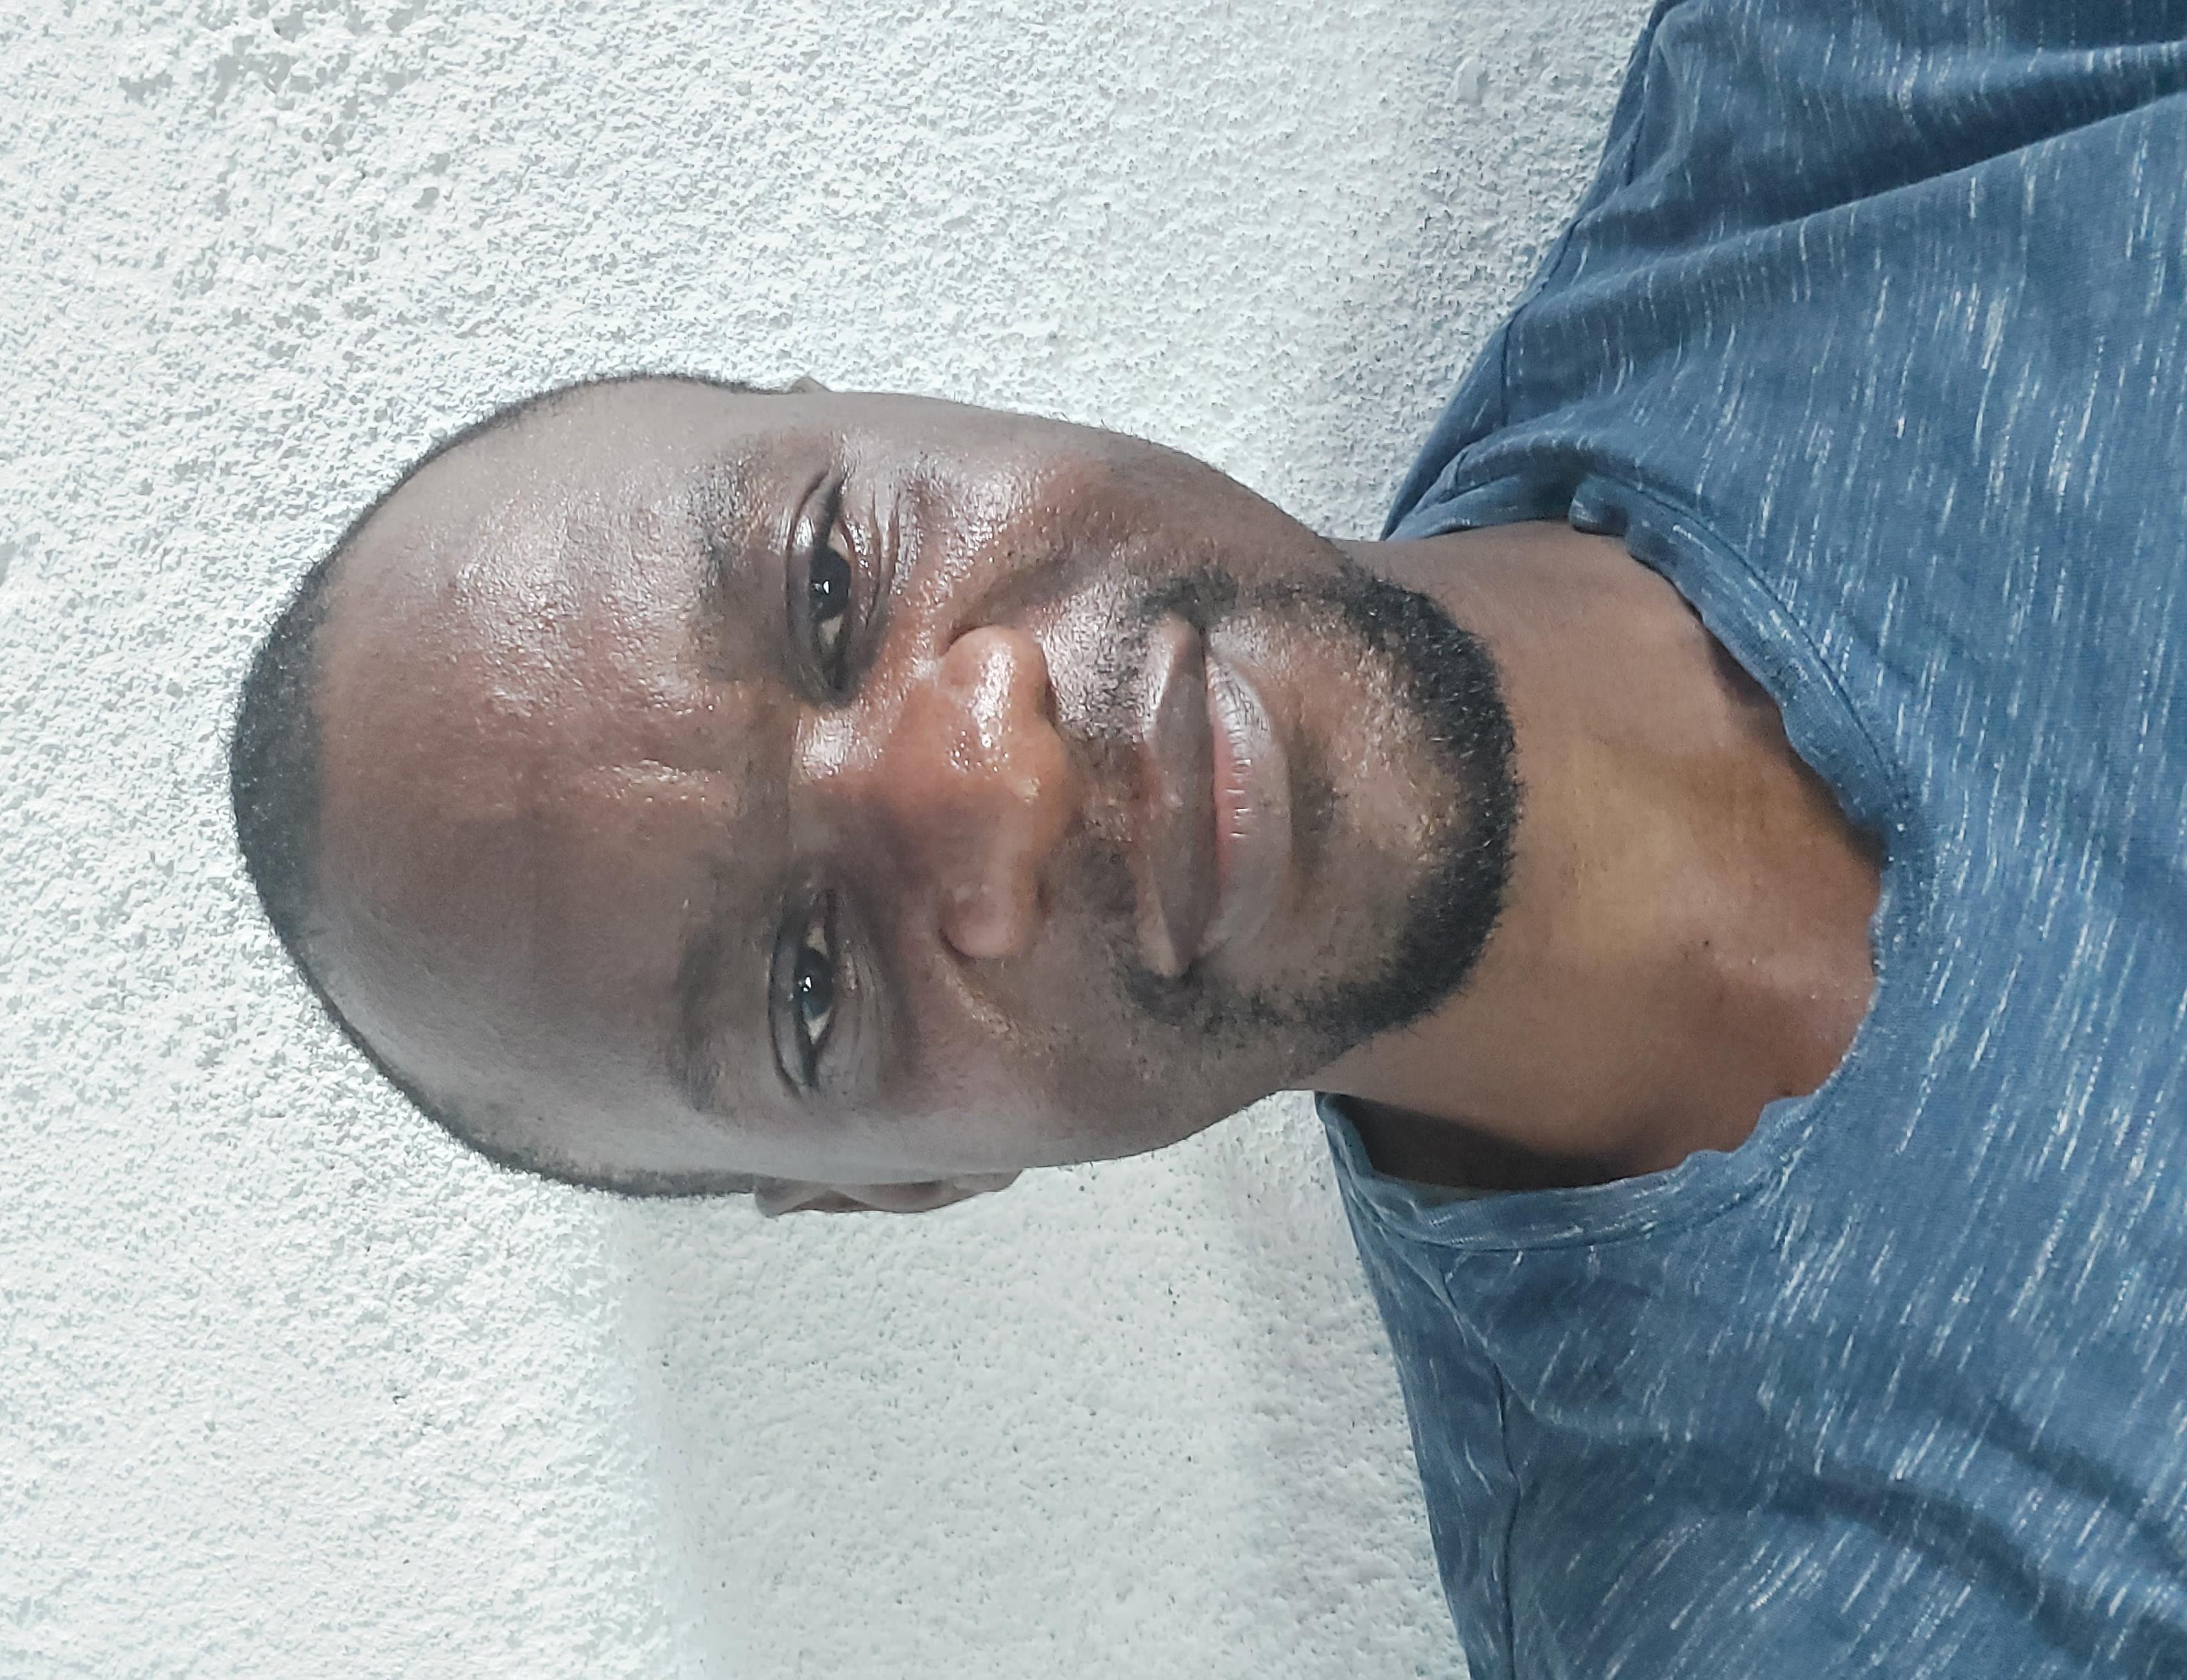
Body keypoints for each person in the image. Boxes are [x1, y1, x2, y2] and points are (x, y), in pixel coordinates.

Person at [230, 1, 2187, 1672]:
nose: (991, 781)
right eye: (810, 987)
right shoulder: (1774, 1620)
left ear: (900, 404)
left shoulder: (1910, 87)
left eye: (832, 584)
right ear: (905, 1183)